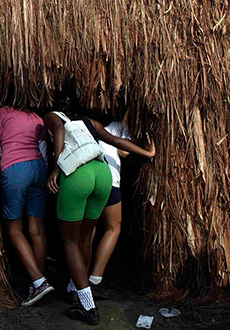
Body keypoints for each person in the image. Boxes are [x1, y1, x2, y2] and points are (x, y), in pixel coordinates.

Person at [44, 111, 155, 325]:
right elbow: (117, 141)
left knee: (70, 241)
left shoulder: (52, 116)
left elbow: (58, 129)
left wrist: (57, 167)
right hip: (102, 173)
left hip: (78, 174)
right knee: (86, 236)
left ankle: (87, 306)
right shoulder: (89, 123)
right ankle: (76, 286)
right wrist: (147, 153)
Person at [0, 105, 54, 306]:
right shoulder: (38, 118)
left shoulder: (3, 113)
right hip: (38, 169)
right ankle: (36, 284)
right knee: (37, 229)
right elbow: (44, 153)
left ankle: (39, 282)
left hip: (15, 168)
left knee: (14, 229)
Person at [88, 119, 131, 299]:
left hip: (88, 177)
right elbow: (125, 151)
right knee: (113, 227)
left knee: (88, 227)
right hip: (109, 179)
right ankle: (94, 281)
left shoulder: (90, 130)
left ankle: (77, 280)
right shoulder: (120, 127)